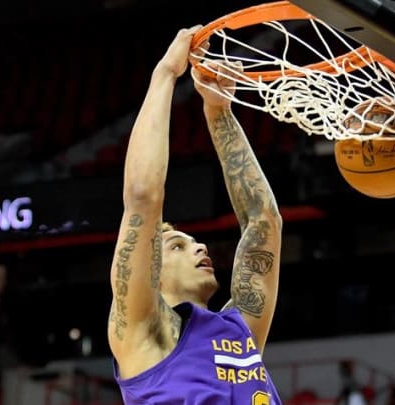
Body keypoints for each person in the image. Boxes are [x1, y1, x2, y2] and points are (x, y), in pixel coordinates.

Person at [108, 26, 284, 404]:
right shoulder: (143, 333)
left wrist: (218, 110)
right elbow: (143, 198)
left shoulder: (239, 329)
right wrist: (166, 75)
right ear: (150, 275)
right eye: (176, 246)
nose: (198, 245)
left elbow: (263, 218)